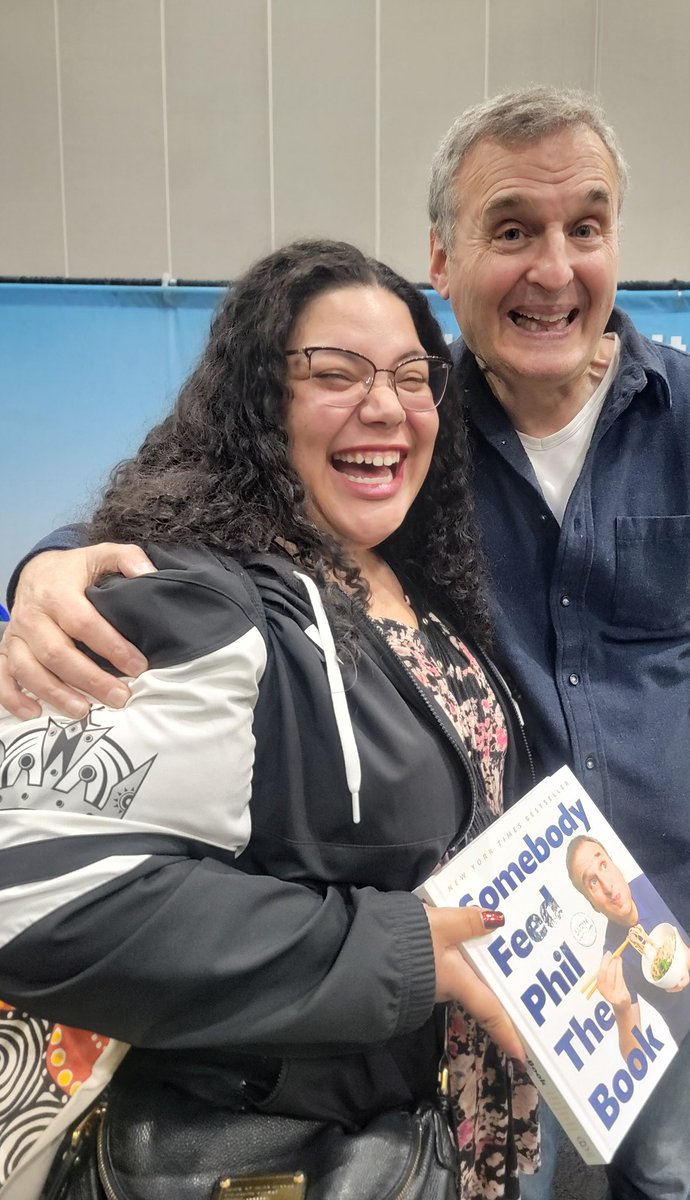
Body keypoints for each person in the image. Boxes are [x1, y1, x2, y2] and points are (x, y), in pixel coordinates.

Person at [0, 87, 690, 1200]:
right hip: (496, 933)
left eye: (586, 227)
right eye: (511, 230)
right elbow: (202, 495)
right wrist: (58, 565)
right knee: (507, 1173)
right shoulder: (419, 421)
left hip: (678, 889)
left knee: (665, 1170)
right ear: (443, 258)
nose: (553, 267)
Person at [0, 238, 542, 1199]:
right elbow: (36, 899)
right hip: (278, 1148)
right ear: (259, 402)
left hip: (427, 1103)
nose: (386, 405)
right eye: (336, 372)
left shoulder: (407, 576)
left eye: (414, 376)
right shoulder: (199, 600)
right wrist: (402, 948)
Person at [566, 835, 690, 1059]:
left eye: (604, 865)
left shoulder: (652, 883)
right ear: (591, 903)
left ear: (616, 865)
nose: (607, 885)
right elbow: (635, 1061)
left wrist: (688, 958)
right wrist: (623, 1009)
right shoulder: (614, 957)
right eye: (593, 882)